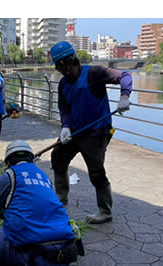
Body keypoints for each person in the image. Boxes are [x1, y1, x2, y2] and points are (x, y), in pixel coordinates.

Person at [49, 41, 132, 224]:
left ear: (69, 61)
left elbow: (124, 76)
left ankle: (105, 211)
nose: (61, 71)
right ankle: (61, 201)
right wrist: (65, 126)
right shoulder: (63, 84)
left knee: (96, 172)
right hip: (74, 132)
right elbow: (64, 107)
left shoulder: (95, 73)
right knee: (58, 158)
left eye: (61, 67)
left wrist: (124, 96)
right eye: (57, 68)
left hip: (96, 132)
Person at [0, 140, 79, 266]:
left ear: (8, 162)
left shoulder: (10, 175)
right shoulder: (44, 177)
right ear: (31, 159)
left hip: (34, 261)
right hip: (65, 256)